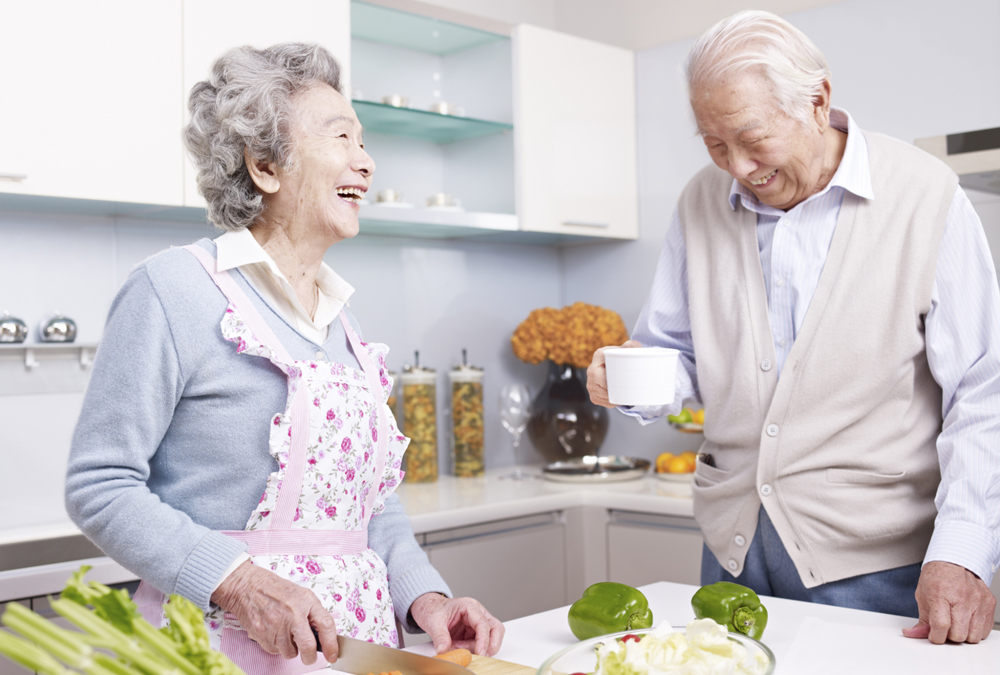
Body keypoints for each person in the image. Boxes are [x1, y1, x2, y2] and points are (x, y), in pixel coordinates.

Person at [65, 43, 503, 674]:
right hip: (217, 650)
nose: (366, 160)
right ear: (265, 165)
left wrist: (427, 598)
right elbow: (99, 485)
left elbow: (372, 510)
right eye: (342, 137)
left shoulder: (344, 325)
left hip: (356, 651)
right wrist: (241, 584)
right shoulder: (173, 289)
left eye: (364, 140)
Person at [587, 11, 998, 645]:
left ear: (818, 101)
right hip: (733, 556)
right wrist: (628, 378)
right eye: (714, 143)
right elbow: (677, 355)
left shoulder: (926, 195)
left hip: (881, 568)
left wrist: (963, 551)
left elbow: (982, 390)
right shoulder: (700, 202)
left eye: (752, 138)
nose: (739, 166)